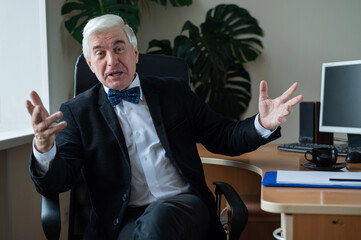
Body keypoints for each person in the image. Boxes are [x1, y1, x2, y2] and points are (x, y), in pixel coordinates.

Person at [26, 14, 303, 240]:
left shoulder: (173, 93)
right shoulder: (77, 112)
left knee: (158, 223)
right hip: (121, 221)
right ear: (90, 64)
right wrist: (44, 148)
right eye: (100, 53)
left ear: (135, 53)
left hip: (184, 207)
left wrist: (262, 123)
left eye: (119, 49)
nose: (112, 61)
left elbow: (223, 136)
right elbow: (56, 182)